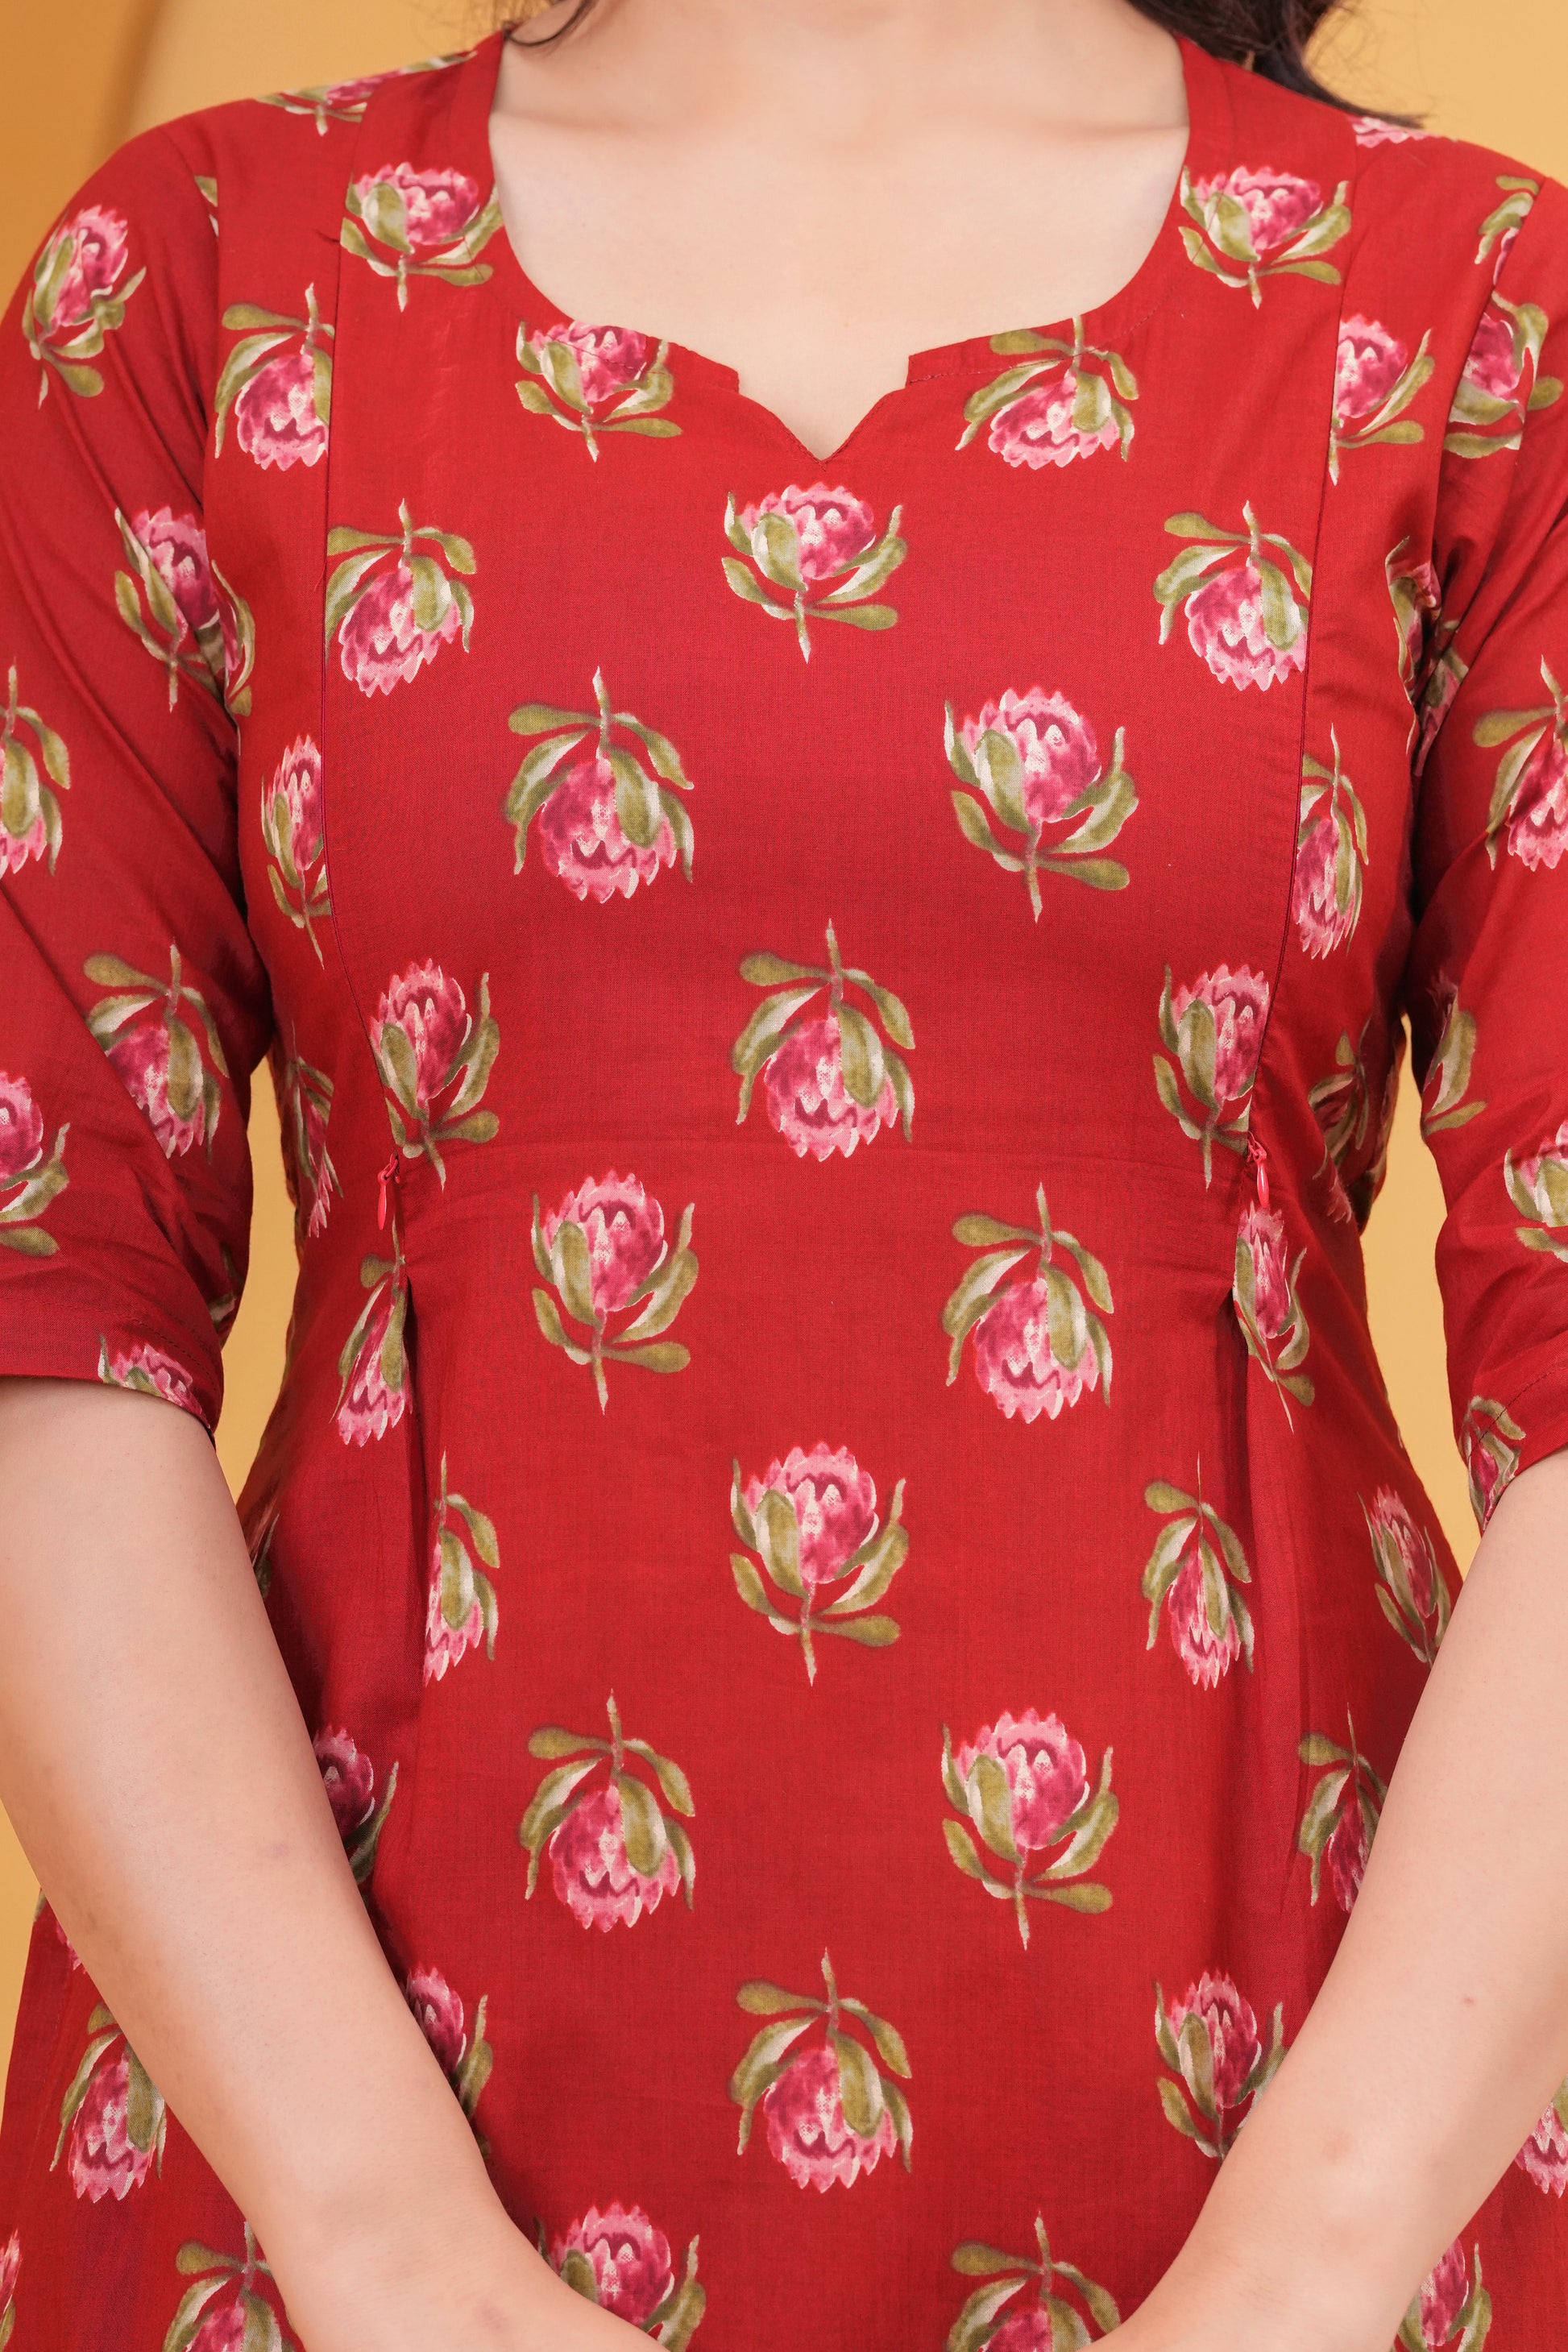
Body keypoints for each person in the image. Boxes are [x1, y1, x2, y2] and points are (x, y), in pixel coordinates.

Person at [0, 0, 1566, 2344]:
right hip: (314, 2189)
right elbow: (44, 1297)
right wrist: (389, 2250)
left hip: (1312, 2161)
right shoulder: (214, 270)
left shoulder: (1467, 305)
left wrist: (1313, 2260)